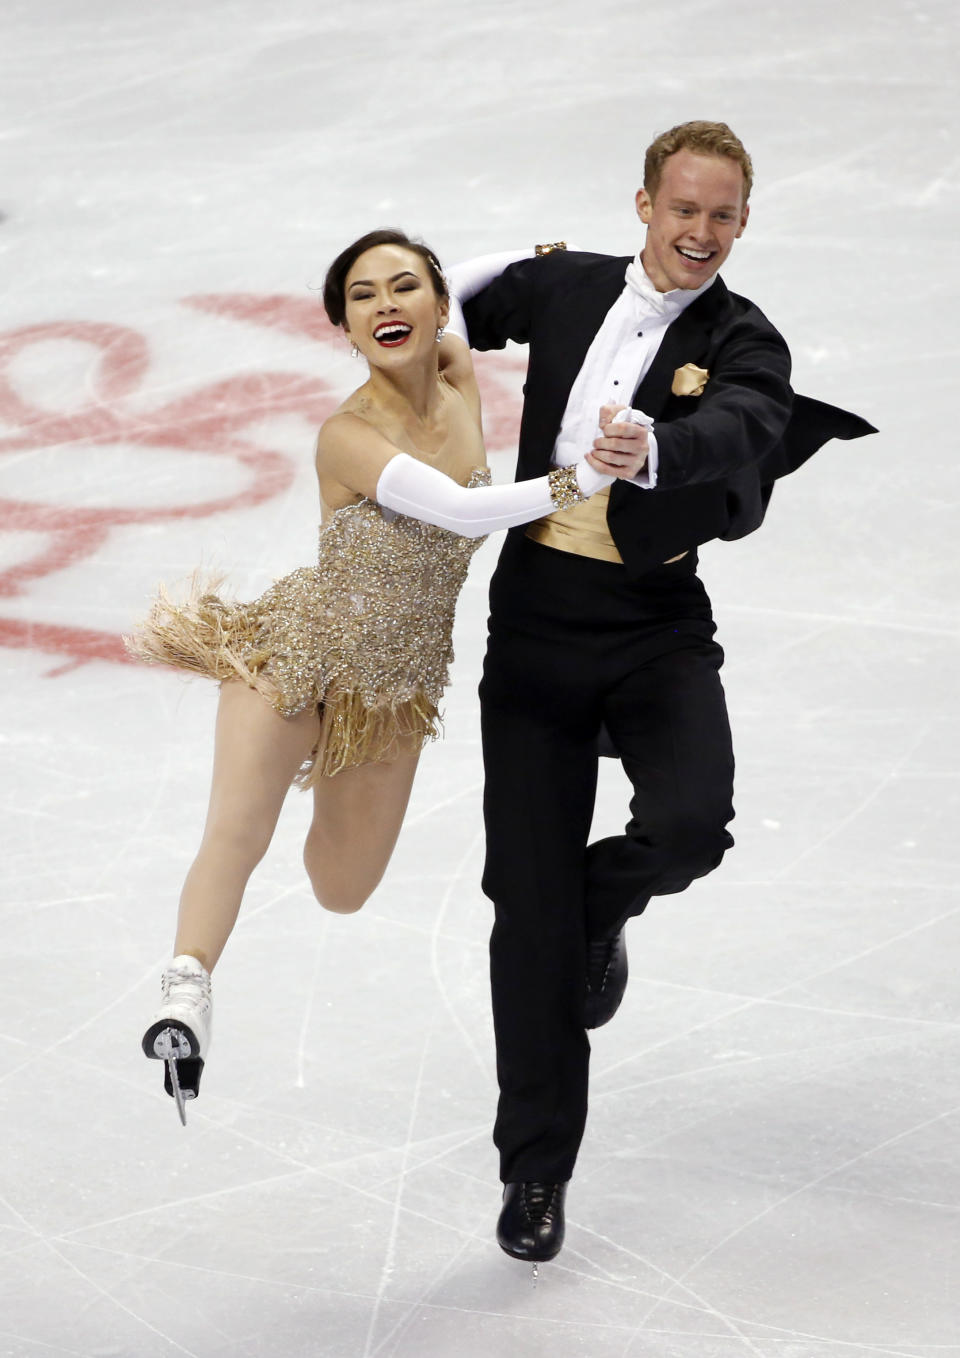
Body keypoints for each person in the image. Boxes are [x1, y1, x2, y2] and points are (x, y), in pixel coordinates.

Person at [448, 121, 877, 1262]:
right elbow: (452, 308)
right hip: (536, 618)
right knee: (523, 927)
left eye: (722, 215)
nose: (700, 233)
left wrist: (661, 450)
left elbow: (747, 418)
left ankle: (605, 904)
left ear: (744, 222)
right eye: (682, 209)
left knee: (691, 822)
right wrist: (497, 265)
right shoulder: (571, 285)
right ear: (642, 205)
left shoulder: (746, 337)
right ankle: (537, 1168)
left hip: (653, 623)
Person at [127, 228, 625, 1124]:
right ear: (344, 328)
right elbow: (466, 511)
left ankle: (317, 790)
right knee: (236, 833)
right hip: (298, 653)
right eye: (362, 296)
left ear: (436, 308)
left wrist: (545, 255)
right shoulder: (347, 435)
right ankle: (185, 993)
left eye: (404, 289)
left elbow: (469, 279)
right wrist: (578, 478)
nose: (385, 305)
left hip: (391, 694)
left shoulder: (459, 376)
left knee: (342, 888)